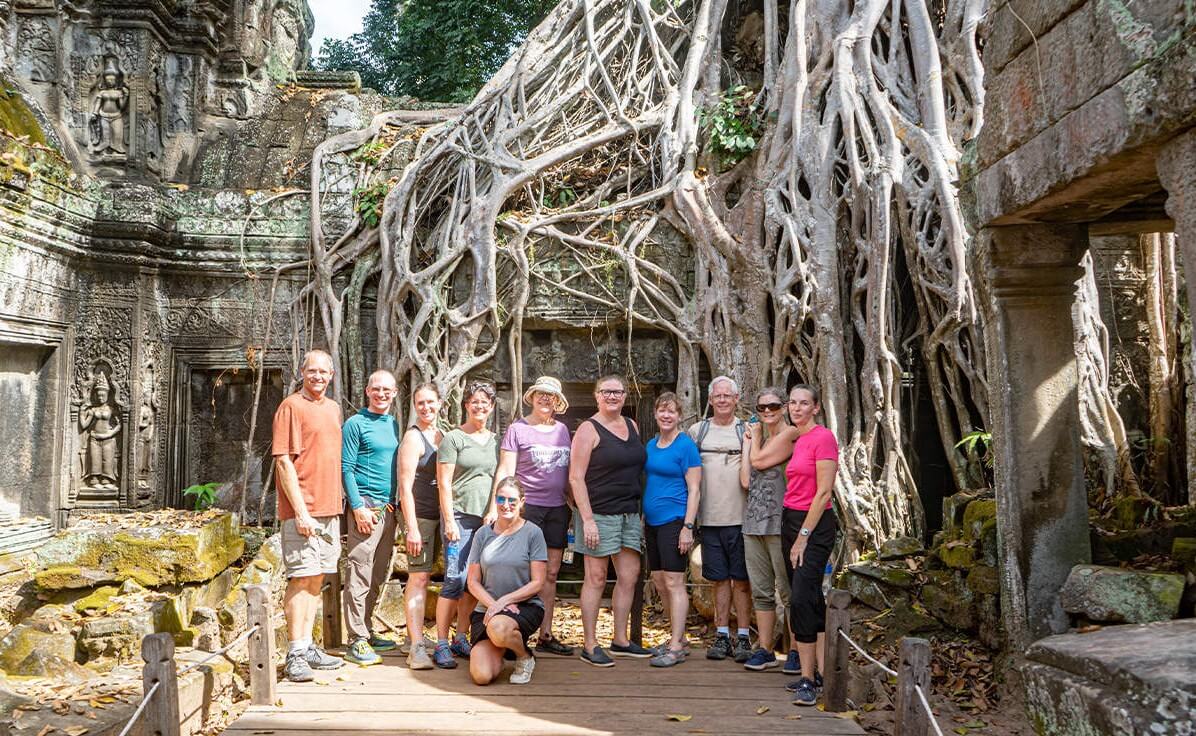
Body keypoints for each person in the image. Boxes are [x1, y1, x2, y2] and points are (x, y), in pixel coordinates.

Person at [569, 374, 652, 666]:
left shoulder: (632, 425)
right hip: (598, 514)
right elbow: (576, 478)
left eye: (617, 392)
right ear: (596, 396)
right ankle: (590, 645)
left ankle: (620, 640)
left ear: (625, 395)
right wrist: (588, 520)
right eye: (606, 392)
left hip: (629, 513)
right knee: (596, 577)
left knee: (629, 576)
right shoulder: (588, 430)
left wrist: (639, 513)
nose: (612, 396)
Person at [273, 350, 345, 682]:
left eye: (323, 372)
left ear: (331, 375)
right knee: (301, 578)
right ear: (302, 372)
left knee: (317, 578)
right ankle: (295, 653)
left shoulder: (333, 408)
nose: (317, 377)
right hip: (304, 511)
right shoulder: (291, 406)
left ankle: (306, 645)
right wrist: (300, 512)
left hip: (329, 510)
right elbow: (283, 461)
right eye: (312, 371)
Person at [489, 376, 574, 656]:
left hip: (557, 508)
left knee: (551, 572)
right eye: (541, 394)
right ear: (532, 397)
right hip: (527, 508)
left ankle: (545, 634)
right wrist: (496, 506)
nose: (545, 399)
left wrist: (578, 506)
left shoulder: (563, 431)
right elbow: (506, 470)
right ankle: (514, 632)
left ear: (558, 401)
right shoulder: (518, 429)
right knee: (521, 571)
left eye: (551, 395)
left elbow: (568, 473)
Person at [687, 376, 752, 662]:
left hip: (741, 520)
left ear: (737, 399)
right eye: (718, 396)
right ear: (710, 399)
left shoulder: (746, 430)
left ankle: (744, 637)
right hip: (710, 520)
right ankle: (722, 634)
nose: (723, 400)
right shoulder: (697, 431)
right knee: (719, 580)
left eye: (728, 395)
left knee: (742, 581)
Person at [434, 381, 498, 668]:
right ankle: (441, 642)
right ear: (466, 405)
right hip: (459, 517)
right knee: (454, 580)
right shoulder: (454, 438)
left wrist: (495, 511)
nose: (479, 406)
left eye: (485, 402)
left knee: (474, 582)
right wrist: (449, 520)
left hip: (487, 521)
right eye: (474, 401)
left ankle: (461, 636)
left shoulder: (496, 441)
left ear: (492, 407)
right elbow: (444, 483)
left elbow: (499, 478)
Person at [781, 384, 839, 707]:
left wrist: (803, 536)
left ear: (816, 407)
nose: (797, 408)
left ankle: (807, 679)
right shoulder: (798, 438)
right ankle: (818, 673)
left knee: (802, 598)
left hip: (813, 525)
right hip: (790, 519)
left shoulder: (823, 437)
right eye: (793, 402)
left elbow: (824, 492)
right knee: (809, 596)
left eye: (804, 403)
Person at [341, 369, 402, 666]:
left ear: (394, 393)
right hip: (366, 507)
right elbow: (346, 468)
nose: (381, 394)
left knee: (377, 573)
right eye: (376, 389)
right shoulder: (356, 424)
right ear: (367, 391)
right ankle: (356, 639)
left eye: (387, 390)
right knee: (359, 571)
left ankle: (366, 628)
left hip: (388, 509)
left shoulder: (394, 424)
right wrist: (357, 507)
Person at [739, 387, 800, 673]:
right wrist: (747, 443)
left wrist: (754, 439)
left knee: (787, 592)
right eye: (761, 407)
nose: (767, 412)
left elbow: (759, 462)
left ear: (784, 407)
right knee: (761, 591)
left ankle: (797, 650)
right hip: (754, 523)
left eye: (773, 406)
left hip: (780, 524)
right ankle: (765, 649)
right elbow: (745, 480)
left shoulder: (790, 434)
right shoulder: (759, 440)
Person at [466, 477, 548, 685]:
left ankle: (524, 657)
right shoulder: (482, 534)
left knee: (499, 628)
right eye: (501, 499)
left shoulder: (533, 533)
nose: (506, 505)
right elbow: (473, 582)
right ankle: (502, 650)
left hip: (523, 607)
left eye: (512, 500)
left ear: (522, 502)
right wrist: (495, 605)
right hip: (487, 610)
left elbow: (538, 582)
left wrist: (506, 600)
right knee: (481, 676)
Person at [642, 392, 701, 668]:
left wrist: (688, 527)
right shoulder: (651, 445)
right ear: (656, 414)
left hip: (675, 521)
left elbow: (695, 489)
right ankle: (678, 637)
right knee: (658, 580)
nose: (666, 415)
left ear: (679, 416)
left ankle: (676, 646)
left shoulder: (685, 446)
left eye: (672, 411)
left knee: (674, 582)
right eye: (662, 410)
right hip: (652, 523)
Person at [396, 383, 444, 670]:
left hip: (440, 516)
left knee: (428, 577)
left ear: (440, 403)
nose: (426, 408)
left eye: (430, 402)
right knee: (419, 578)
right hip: (420, 516)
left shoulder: (442, 435)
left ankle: (412, 638)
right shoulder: (413, 438)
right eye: (420, 403)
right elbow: (405, 487)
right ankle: (416, 648)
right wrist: (412, 527)